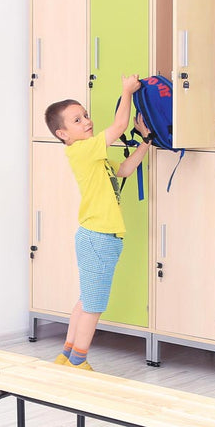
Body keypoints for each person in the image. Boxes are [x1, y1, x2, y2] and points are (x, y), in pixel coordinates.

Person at [43, 74, 152, 370]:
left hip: (96, 237)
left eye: (86, 116)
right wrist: (126, 92)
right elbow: (118, 127)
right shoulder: (82, 150)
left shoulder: (93, 156)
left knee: (85, 300)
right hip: (99, 237)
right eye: (77, 121)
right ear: (63, 134)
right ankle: (80, 361)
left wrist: (145, 140)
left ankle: (66, 355)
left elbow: (125, 170)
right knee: (94, 306)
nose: (87, 122)